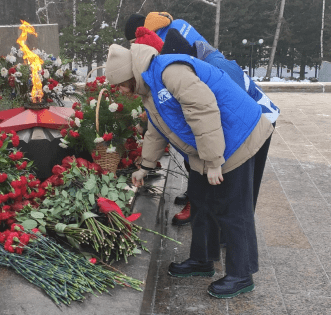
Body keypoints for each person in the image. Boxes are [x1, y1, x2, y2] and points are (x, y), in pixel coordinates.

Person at [105, 43, 274, 298]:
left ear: (131, 75)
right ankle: (202, 260)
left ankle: (241, 275)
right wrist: (146, 167)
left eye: (120, 84)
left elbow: (203, 111)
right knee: (201, 199)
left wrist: (214, 161)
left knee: (233, 209)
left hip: (237, 136)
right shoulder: (148, 88)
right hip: (213, 144)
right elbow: (156, 128)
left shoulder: (170, 72)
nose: (121, 91)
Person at [124, 12, 280, 226]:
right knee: (212, 172)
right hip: (238, 117)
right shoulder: (174, 42)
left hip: (259, 119)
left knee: (241, 194)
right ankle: (217, 222)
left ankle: (233, 230)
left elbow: (218, 113)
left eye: (135, 44)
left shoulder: (183, 60)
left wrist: (214, 160)